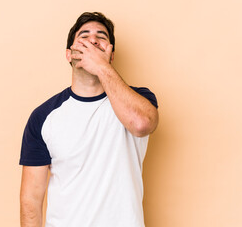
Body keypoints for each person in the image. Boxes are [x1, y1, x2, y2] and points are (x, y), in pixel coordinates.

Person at [19, 12, 159, 227]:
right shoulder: (43, 116)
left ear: (111, 55)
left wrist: (101, 66)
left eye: (101, 37)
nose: (93, 40)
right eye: (84, 36)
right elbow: (31, 201)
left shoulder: (140, 99)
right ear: (69, 54)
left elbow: (141, 124)